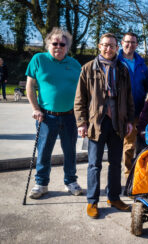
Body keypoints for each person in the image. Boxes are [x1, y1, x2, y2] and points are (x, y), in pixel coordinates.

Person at [74, 33, 135, 219]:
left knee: (115, 163)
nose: (108, 49)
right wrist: (82, 122)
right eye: (105, 45)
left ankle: (114, 197)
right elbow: (80, 99)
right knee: (94, 164)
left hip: (117, 123)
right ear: (99, 46)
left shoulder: (123, 70)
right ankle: (92, 201)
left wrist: (130, 121)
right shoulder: (88, 69)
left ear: (117, 48)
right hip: (96, 124)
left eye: (112, 46)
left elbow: (129, 99)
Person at [25, 27, 82, 199]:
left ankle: (71, 181)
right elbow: (30, 85)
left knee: (70, 151)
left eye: (62, 44)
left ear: (67, 47)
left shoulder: (74, 64)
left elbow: (84, 90)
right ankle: (41, 183)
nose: (58, 47)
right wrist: (35, 108)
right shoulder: (39, 59)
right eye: (54, 43)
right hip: (46, 116)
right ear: (48, 43)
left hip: (70, 115)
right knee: (44, 151)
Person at [118, 32, 148, 178]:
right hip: (123, 111)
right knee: (128, 145)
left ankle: (140, 170)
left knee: (141, 143)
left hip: (140, 110)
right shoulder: (115, 61)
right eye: (127, 41)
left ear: (137, 45)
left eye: (133, 42)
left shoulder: (142, 64)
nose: (130, 45)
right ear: (122, 43)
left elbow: (146, 86)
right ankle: (128, 173)